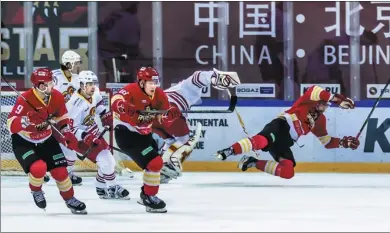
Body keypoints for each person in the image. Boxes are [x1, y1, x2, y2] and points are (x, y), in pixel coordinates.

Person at [214, 85, 359, 179]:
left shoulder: (321, 121)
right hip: (280, 126)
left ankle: (252, 162)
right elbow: (316, 90)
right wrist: (336, 99)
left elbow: (326, 142)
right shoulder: (307, 100)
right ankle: (229, 151)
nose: (325, 106)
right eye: (324, 102)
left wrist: (344, 143)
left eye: (327, 105)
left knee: (288, 171)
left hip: (285, 142)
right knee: (261, 141)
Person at [6, 68, 87, 214]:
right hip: (24, 141)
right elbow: (10, 124)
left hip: (46, 138)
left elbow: (62, 117)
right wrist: (24, 121)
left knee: (61, 172)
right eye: (49, 83)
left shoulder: (56, 96)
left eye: (52, 82)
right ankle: (36, 190)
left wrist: (65, 131)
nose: (52, 86)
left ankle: (70, 199)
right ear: (40, 85)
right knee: (38, 168)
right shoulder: (24, 99)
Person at [152, 68, 241, 183]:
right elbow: (198, 76)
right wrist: (216, 77)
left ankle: (161, 167)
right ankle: (168, 163)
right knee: (185, 140)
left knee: (172, 141)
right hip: (169, 109)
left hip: (152, 119)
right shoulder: (183, 88)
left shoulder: (174, 97)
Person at [111, 66, 178, 213]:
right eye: (150, 83)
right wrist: (122, 106)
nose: (154, 86)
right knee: (154, 162)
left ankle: (146, 193)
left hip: (145, 135)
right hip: (127, 136)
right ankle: (149, 196)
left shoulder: (159, 95)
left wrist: (169, 116)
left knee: (154, 164)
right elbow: (115, 99)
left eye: (155, 83)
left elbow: (163, 116)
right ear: (141, 83)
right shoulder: (131, 90)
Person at [58, 70, 130, 199]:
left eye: (94, 83)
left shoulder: (95, 93)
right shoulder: (74, 104)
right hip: (79, 139)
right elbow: (71, 129)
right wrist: (85, 136)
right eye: (89, 84)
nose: (93, 86)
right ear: (82, 85)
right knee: (106, 160)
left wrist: (105, 116)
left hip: (93, 132)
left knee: (110, 161)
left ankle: (101, 187)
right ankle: (112, 187)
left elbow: (99, 107)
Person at [50, 50, 83, 185]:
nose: (77, 66)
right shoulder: (55, 77)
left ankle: (65, 173)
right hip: (56, 118)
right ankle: (57, 174)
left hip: (71, 118)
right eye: (75, 63)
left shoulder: (77, 78)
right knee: (63, 148)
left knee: (70, 147)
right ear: (68, 63)